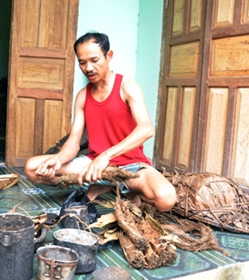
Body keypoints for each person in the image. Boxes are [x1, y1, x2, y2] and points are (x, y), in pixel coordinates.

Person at [24, 32, 177, 212]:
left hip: (131, 167)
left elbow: (146, 129)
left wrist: (106, 156)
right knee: (33, 168)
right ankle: (106, 184)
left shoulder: (127, 87)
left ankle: (118, 185)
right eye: (82, 62)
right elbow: (74, 141)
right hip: (94, 166)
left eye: (94, 60)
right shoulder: (82, 96)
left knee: (166, 199)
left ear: (109, 56)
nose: (88, 67)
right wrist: (58, 159)